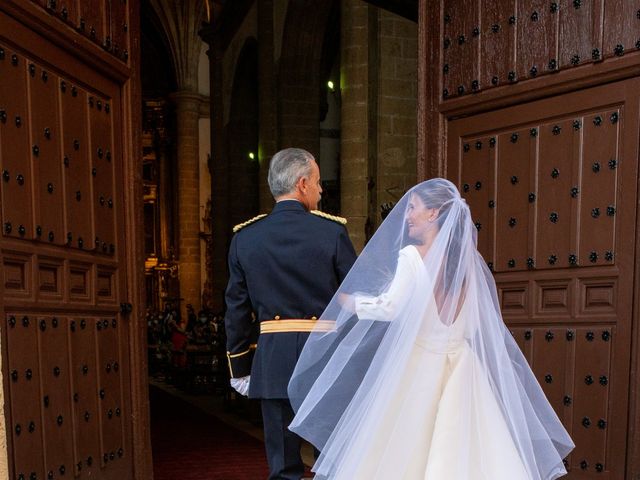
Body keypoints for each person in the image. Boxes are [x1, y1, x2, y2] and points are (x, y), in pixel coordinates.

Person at [288, 178, 574, 479]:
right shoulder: (468, 263)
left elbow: (390, 307)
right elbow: (474, 325)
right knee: (470, 449)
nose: (407, 216)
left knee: (402, 449)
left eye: (413, 208)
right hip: (463, 368)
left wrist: (353, 302)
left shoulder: (412, 257)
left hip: (420, 365)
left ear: (433, 213)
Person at [224, 147, 357, 480]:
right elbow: (355, 301)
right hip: (326, 360)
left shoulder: (245, 239)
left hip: (273, 362)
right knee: (332, 465)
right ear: (301, 184)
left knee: (283, 467)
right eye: (317, 181)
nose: (321, 190)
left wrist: (239, 365)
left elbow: (236, 309)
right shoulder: (332, 232)